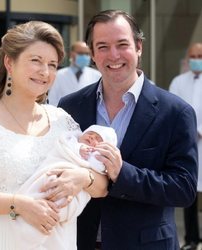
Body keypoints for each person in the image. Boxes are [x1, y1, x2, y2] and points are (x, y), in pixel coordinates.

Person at [0, 21, 108, 250]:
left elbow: (102, 186)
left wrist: (84, 178)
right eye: (35, 60)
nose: (45, 72)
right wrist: (19, 205)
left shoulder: (62, 121)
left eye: (53, 65)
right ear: (9, 62)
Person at [58, 9, 198, 250]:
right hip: (79, 242)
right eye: (102, 46)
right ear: (92, 53)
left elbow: (183, 189)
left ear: (139, 46)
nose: (113, 55)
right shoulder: (69, 106)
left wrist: (123, 174)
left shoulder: (175, 112)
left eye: (122, 44)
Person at [10, 125, 117, 250]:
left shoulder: (96, 158)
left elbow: (102, 181)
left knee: (58, 208)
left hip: (74, 193)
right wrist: (79, 149)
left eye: (98, 139)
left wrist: (84, 175)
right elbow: (66, 144)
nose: (92, 137)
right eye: (90, 134)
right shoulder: (71, 141)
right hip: (50, 174)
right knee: (44, 191)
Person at [169, 42, 202, 250]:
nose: (196, 59)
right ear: (187, 58)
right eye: (193, 55)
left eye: (200, 55)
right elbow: (173, 109)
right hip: (186, 142)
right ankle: (191, 238)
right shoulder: (178, 81)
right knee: (189, 189)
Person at [47, 41, 101, 106]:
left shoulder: (97, 75)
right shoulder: (59, 75)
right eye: (80, 53)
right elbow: (52, 100)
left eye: (87, 54)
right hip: (63, 114)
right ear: (71, 54)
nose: (84, 56)